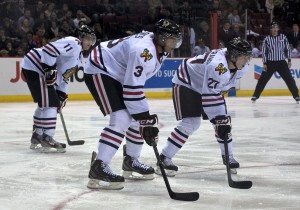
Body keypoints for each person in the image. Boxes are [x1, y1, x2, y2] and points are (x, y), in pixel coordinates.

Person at [84, 19, 182, 190]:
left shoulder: (160, 47)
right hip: (100, 67)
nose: (174, 43)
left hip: (117, 72)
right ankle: (99, 166)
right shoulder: (144, 51)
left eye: (176, 39)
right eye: (171, 38)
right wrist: (146, 118)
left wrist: (144, 119)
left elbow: (133, 91)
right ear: (160, 38)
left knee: (137, 119)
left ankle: (131, 160)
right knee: (122, 117)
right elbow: (132, 91)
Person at [155, 37, 253, 177]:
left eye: (248, 57)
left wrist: (220, 121)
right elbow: (209, 96)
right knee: (191, 123)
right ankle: (164, 158)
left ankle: (228, 157)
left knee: (222, 123)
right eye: (244, 57)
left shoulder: (241, 65)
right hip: (186, 81)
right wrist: (219, 120)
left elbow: (215, 91)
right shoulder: (217, 67)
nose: (246, 61)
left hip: (205, 83)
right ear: (233, 56)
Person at [22, 25, 96, 153]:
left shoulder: (78, 58)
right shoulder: (74, 42)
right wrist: (49, 69)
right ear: (80, 37)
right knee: (51, 104)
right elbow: (49, 49)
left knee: (45, 104)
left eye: (91, 39)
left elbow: (64, 77)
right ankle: (47, 138)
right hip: (37, 67)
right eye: (87, 38)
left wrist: (62, 94)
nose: (89, 42)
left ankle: (37, 135)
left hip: (34, 67)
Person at [251, 21, 300, 103]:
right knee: (262, 80)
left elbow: (287, 49)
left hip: (281, 62)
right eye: (273, 27)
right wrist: (265, 63)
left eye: (276, 27)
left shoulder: (283, 37)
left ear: (278, 29)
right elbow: (264, 52)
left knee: (290, 80)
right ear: (270, 29)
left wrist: (289, 60)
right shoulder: (267, 39)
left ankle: (296, 96)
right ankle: (255, 95)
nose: (274, 29)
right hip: (270, 63)